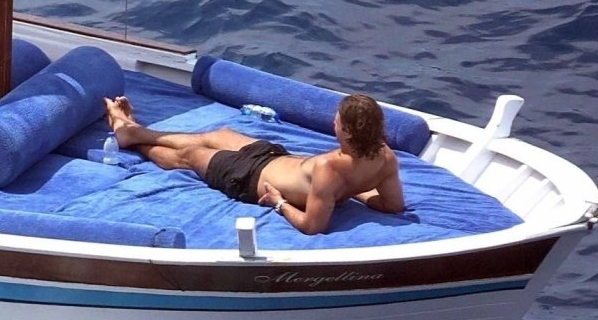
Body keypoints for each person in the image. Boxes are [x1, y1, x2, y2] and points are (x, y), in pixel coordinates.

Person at [103, 92, 405, 235]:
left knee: (191, 155)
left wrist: (278, 203)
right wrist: (353, 191)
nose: (333, 124)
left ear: (349, 132)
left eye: (337, 122)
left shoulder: (330, 170)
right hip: (275, 156)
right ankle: (134, 131)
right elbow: (392, 204)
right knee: (219, 135)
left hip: (248, 177)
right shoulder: (384, 157)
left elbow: (313, 226)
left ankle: (133, 138)